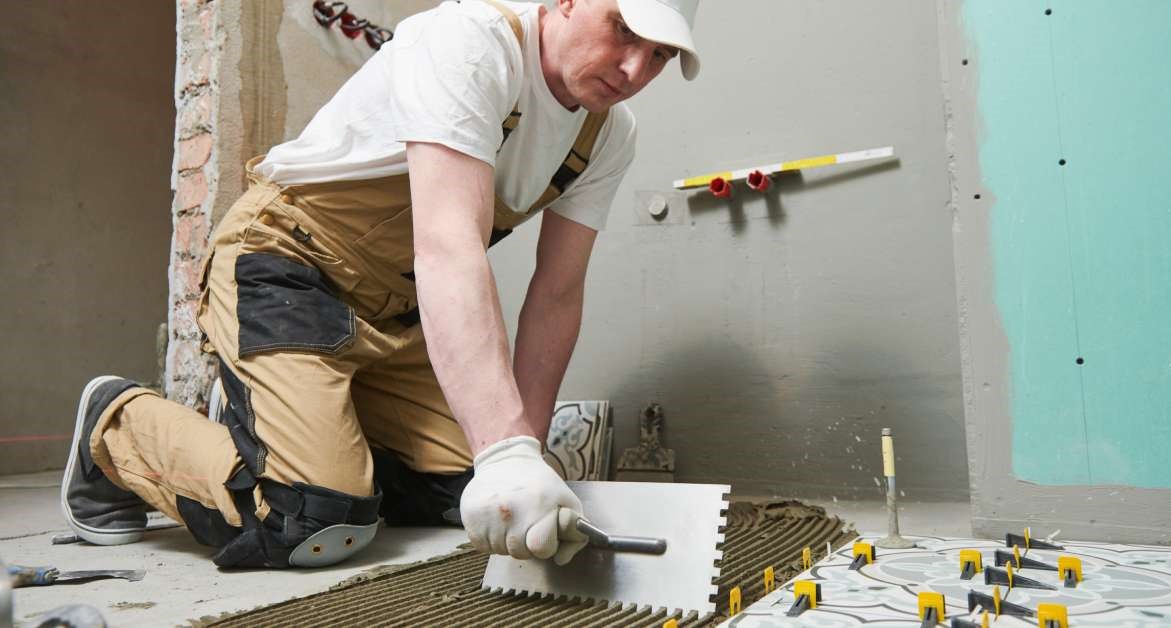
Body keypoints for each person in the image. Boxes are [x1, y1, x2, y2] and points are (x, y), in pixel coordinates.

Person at [61, 0, 701, 569]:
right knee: (316, 522)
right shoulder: (470, 43)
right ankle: (116, 427)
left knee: (467, 493)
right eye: (623, 30)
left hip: (395, 309)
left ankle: (293, 424)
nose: (634, 70)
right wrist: (504, 450)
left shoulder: (608, 136)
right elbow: (450, 248)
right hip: (288, 266)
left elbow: (557, 294)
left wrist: (521, 458)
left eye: (661, 56)